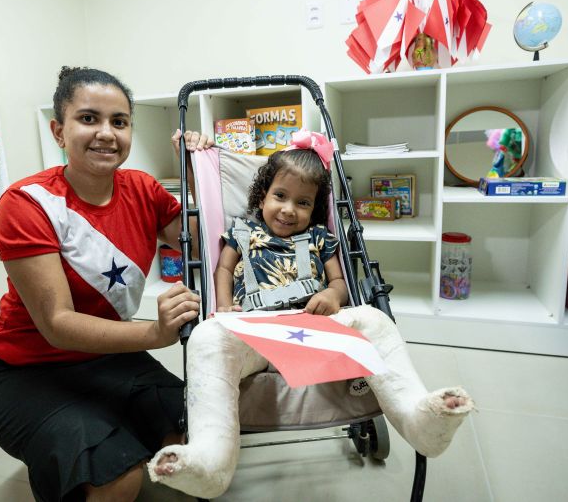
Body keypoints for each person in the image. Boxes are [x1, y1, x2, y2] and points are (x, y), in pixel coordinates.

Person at [148, 131, 474, 499]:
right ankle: (210, 458)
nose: (289, 210)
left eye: (302, 203)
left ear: (315, 208)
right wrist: (223, 308)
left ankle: (418, 418)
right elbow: (222, 271)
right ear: (262, 196)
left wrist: (332, 296)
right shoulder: (241, 232)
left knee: (373, 318)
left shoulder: (321, 237)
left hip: (317, 328)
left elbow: (339, 282)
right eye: (280, 196)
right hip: (254, 331)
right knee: (207, 337)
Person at [0, 66, 214, 502]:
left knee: (202, 436)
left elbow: (206, 241)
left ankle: (110, 430)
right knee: (117, 480)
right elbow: (56, 323)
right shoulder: (27, 203)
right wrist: (154, 332)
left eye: (119, 122)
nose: (106, 133)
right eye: (88, 118)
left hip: (108, 356)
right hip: (28, 371)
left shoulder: (143, 188)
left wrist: (201, 174)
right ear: (58, 130)